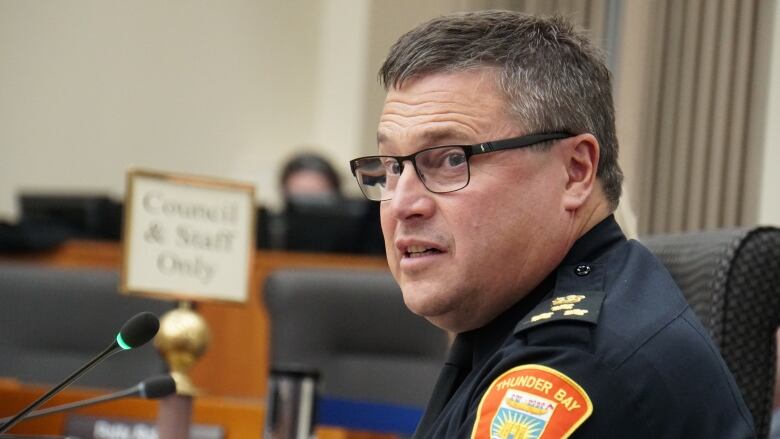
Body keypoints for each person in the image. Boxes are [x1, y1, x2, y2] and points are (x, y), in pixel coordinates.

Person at [348, 11, 755, 438]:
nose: (403, 204)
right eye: (393, 166)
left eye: (451, 159)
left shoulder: (572, 368)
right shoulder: (513, 316)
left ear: (575, 172)